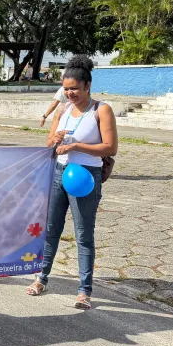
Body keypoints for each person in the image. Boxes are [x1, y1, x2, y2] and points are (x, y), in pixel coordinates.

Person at [26, 56, 118, 310]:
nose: (69, 93)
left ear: (87, 85)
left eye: (74, 89)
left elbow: (111, 147)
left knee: (83, 234)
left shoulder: (101, 110)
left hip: (86, 176)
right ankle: (41, 278)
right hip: (59, 172)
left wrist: (77, 146)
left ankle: (84, 291)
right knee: (51, 228)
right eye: (66, 89)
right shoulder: (63, 109)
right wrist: (53, 139)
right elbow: (49, 145)